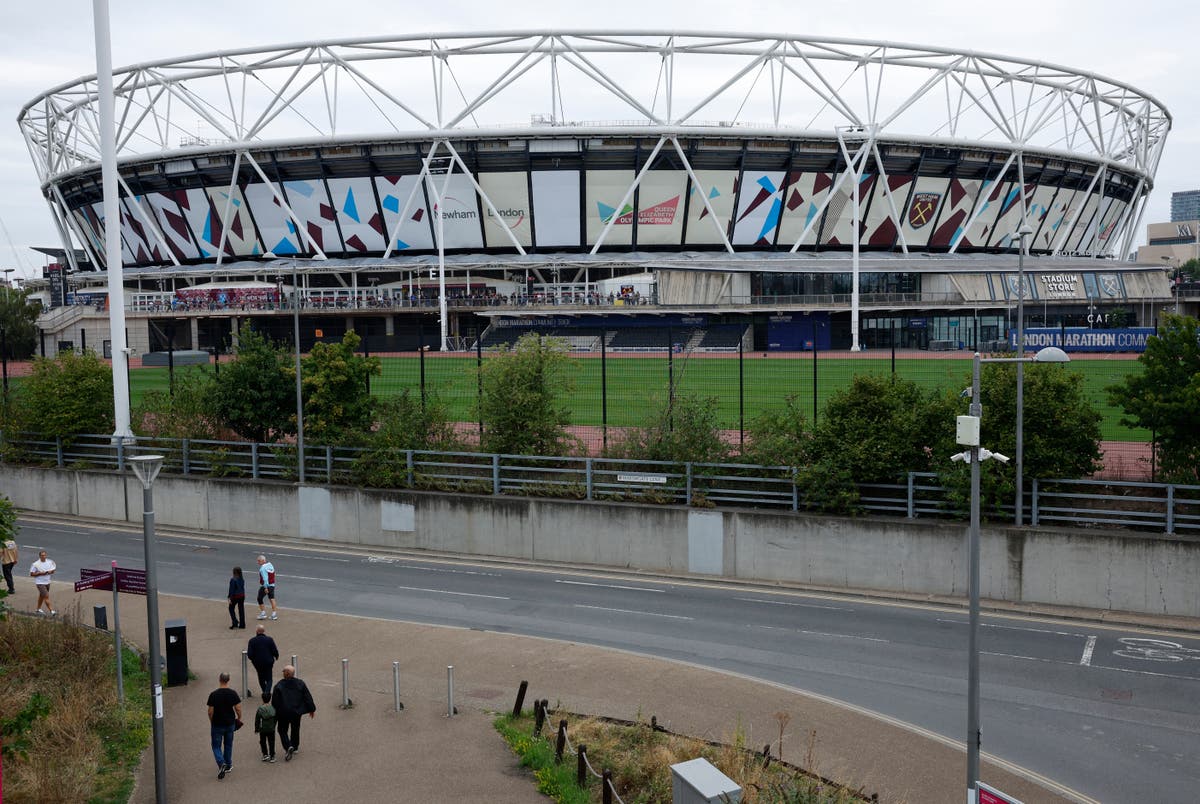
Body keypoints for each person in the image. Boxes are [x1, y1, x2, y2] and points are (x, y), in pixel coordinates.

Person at [271, 664, 315, 762]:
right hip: (296, 711)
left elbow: (275, 702)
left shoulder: (279, 686)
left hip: (283, 712)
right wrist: (311, 709)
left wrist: (275, 714)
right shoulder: (300, 683)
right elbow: (307, 697)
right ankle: (295, 746)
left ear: (286, 674)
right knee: (295, 728)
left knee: (282, 730)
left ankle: (288, 746)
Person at [206, 671, 242, 780]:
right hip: (230, 723)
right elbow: (238, 708)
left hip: (217, 723)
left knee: (216, 746)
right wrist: (239, 718)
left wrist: (212, 721)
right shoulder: (233, 693)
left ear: (219, 679)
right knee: (228, 744)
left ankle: (221, 763)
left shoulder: (214, 694)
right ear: (228, 680)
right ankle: (228, 764)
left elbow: (210, 711)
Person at [246, 624, 279, 695]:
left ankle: (265, 692)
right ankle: (267, 693)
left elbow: (250, 655)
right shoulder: (269, 639)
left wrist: (253, 660)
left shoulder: (252, 641)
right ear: (264, 631)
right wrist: (276, 656)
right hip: (268, 662)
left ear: (256, 631)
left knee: (261, 678)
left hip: (258, 663)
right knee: (269, 679)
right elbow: (274, 650)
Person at [29, 549, 56, 615]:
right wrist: (40, 573)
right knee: (46, 596)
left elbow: (53, 570)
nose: (43, 556)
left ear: (46, 555)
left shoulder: (49, 562)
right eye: (42, 555)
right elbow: (31, 574)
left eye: (44, 555)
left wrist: (50, 572)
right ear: (40, 556)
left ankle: (38, 609)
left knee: (42, 596)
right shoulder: (35, 564)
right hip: (40, 583)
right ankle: (52, 611)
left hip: (47, 582)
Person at [255, 691, 277, 763]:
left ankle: (265, 754)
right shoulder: (273, 708)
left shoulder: (260, 709)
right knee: (271, 742)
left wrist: (256, 728)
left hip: (263, 728)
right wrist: (274, 725)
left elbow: (257, 719)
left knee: (263, 741)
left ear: (262, 699)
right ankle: (272, 756)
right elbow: (275, 718)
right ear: (270, 699)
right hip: (271, 728)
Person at [255, 554, 277, 620]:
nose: (258, 562)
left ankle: (263, 614)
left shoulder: (262, 568)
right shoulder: (270, 565)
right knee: (272, 599)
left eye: (259, 561)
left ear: (263, 561)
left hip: (265, 586)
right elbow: (274, 574)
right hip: (272, 585)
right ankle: (274, 614)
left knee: (259, 598)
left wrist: (265, 588)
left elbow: (265, 579)